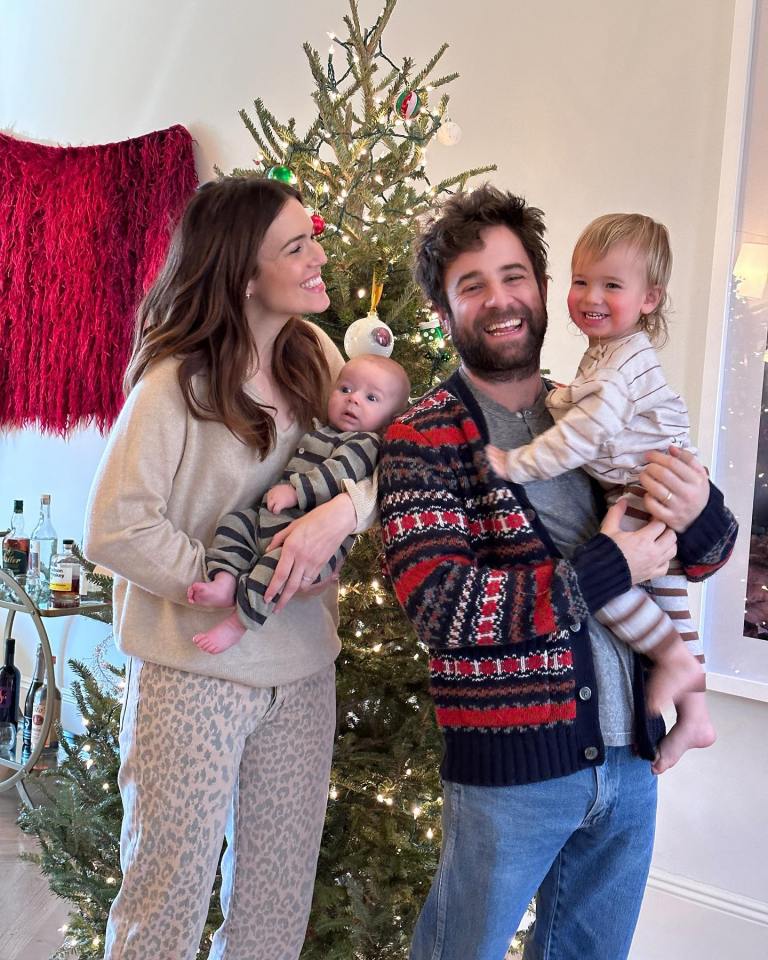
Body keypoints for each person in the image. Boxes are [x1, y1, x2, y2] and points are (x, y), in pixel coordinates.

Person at [378, 184, 737, 960]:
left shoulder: (592, 406)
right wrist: (609, 567)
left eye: (514, 276)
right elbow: (443, 610)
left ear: (542, 290)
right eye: (472, 285)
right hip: (511, 777)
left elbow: (707, 552)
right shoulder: (423, 436)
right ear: (445, 312)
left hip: (629, 768)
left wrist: (700, 506)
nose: (500, 299)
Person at [83, 176, 377, 960]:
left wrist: (342, 514)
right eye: (297, 247)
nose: (320, 256)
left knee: (274, 917)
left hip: (305, 669)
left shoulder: (316, 354)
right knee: (164, 908)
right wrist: (221, 578)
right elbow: (113, 525)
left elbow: (379, 452)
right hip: (195, 675)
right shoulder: (175, 383)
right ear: (245, 275)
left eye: (311, 236)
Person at [485, 213, 713, 774]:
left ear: (649, 298)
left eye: (612, 285)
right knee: (668, 593)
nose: (590, 296)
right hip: (645, 485)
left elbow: (584, 436)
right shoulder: (606, 356)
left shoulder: (618, 366)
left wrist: (516, 463)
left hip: (646, 485)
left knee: (611, 584)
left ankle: (673, 659)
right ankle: (697, 714)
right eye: (581, 280)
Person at [188, 354, 410, 653]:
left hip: (311, 544)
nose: (353, 400)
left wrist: (296, 491)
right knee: (235, 523)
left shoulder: (366, 444)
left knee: (277, 571)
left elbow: (338, 475)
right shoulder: (324, 430)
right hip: (272, 519)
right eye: (345, 389)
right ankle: (225, 579)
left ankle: (238, 623)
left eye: (371, 398)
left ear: (388, 421)